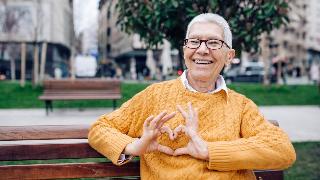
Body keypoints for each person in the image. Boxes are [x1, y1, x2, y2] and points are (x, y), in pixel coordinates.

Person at [88, 13, 296, 179]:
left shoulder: (240, 106)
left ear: (229, 56)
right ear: (185, 50)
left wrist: (209, 151)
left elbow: (282, 150)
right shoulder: (154, 96)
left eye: (214, 43)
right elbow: (100, 128)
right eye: (194, 41)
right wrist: (135, 146)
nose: (202, 50)